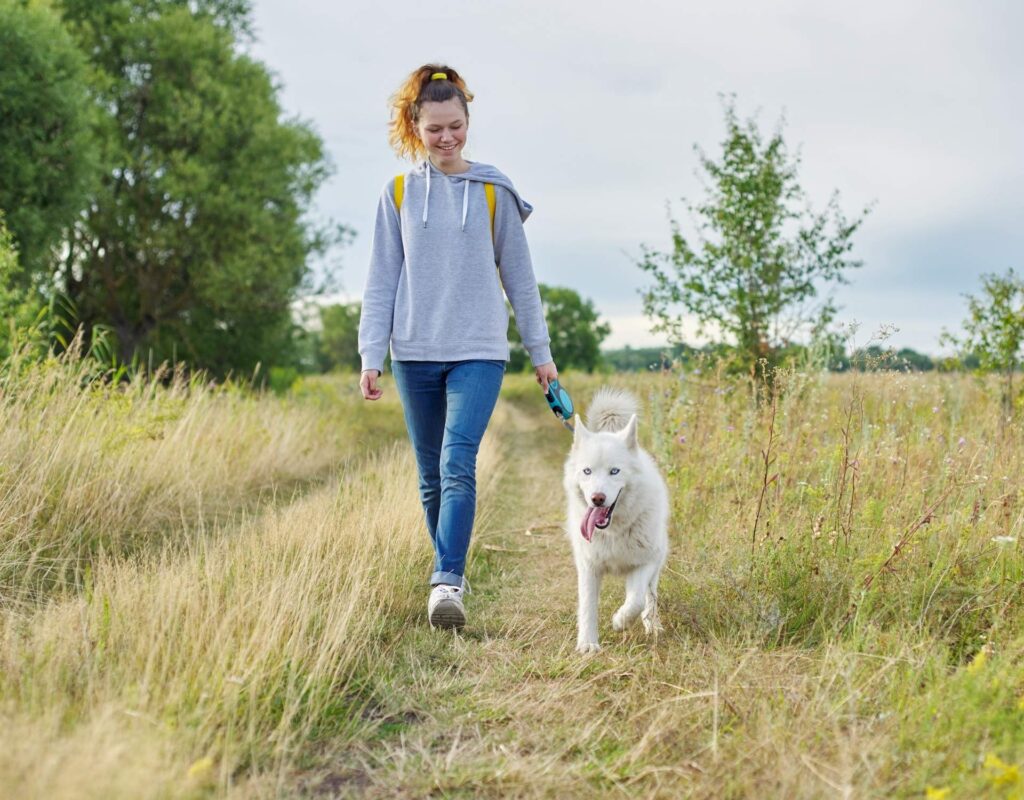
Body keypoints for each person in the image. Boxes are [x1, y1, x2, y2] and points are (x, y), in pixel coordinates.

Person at [358, 64, 558, 630]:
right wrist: (372, 354)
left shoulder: (495, 192)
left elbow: (521, 281)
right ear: (415, 127)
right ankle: (451, 572)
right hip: (414, 352)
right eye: (434, 129)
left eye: (456, 126)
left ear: (468, 121)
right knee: (429, 475)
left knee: (456, 461)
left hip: (479, 350)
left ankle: (446, 581)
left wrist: (540, 355)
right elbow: (381, 281)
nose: (446, 139)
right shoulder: (397, 193)